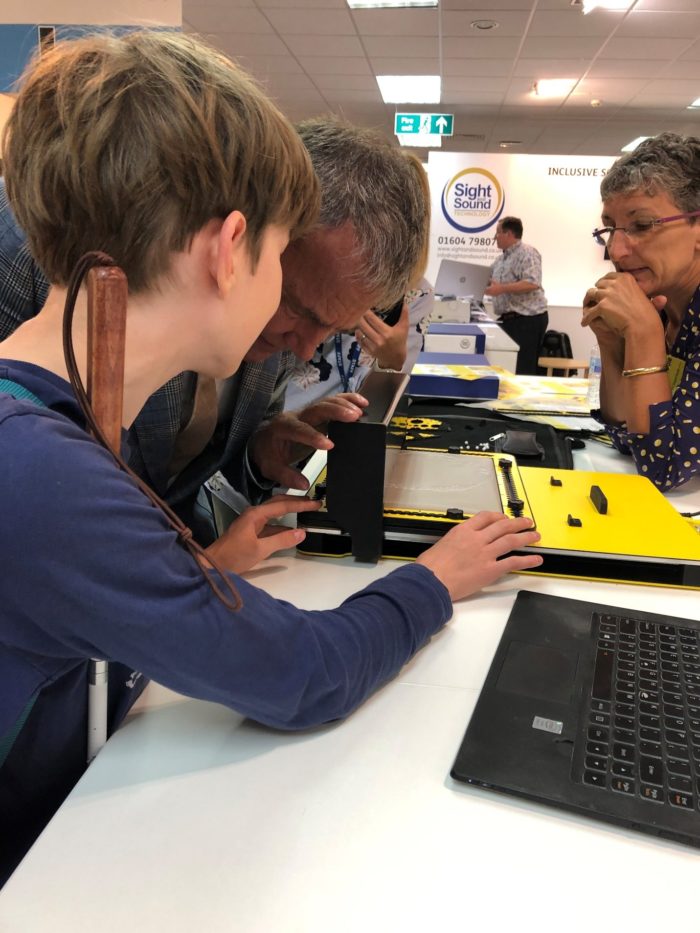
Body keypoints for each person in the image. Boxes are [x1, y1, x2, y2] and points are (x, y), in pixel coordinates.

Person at [0, 30, 542, 884]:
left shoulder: (41, 428)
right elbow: (299, 673)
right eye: (281, 252)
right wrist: (432, 581)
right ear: (232, 249)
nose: (305, 341)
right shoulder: (43, 471)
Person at [0, 122, 432, 542]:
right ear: (249, 234)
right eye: (297, 308)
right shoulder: (33, 251)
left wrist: (260, 458)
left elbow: (194, 488)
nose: (303, 349)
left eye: (332, 329)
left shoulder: (279, 332)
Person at [582, 132, 700, 491]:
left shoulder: (655, 316)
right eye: (610, 229)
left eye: (642, 226)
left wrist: (644, 334)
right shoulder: (665, 307)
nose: (616, 251)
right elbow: (627, 437)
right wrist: (611, 343)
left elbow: (663, 468)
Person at [485, 216, 548, 375]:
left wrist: (501, 289)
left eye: (498, 233)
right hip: (508, 321)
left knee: (522, 369)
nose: (495, 238)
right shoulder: (500, 260)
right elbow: (488, 279)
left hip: (527, 320)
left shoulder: (528, 253)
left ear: (509, 234)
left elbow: (532, 282)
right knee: (504, 366)